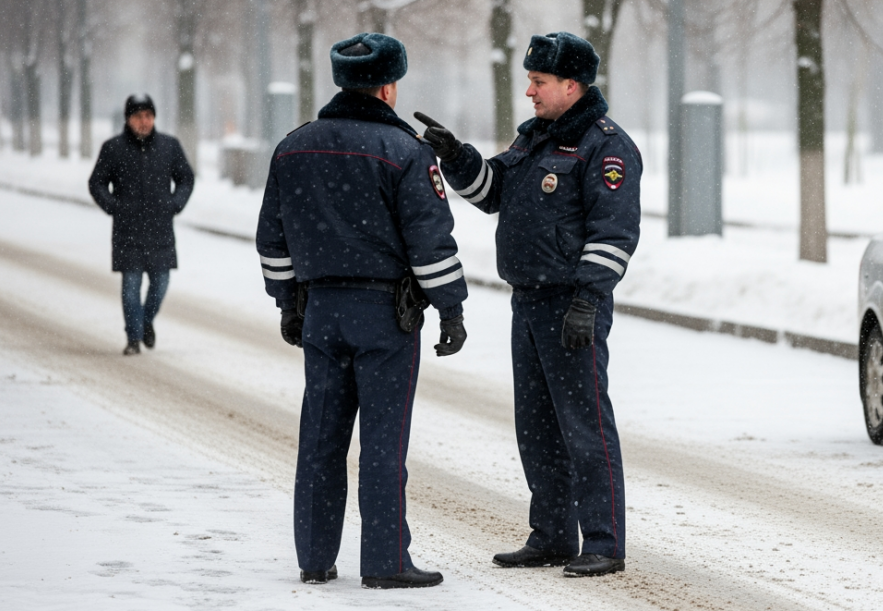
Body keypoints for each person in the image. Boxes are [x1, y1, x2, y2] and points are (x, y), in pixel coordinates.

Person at [421, 31, 641, 577]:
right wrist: (457, 156)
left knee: (585, 426)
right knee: (537, 427)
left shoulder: (605, 147)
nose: (530, 92)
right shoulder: (536, 140)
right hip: (529, 302)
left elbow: (614, 234)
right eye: (530, 81)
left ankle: (604, 542)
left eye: (539, 82)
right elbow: (493, 190)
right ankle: (552, 535)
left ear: (572, 84)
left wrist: (588, 301)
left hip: (572, 306)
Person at [255, 32, 469, 590]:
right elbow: (430, 242)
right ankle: (385, 561)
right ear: (389, 86)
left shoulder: (294, 146)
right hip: (386, 316)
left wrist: (289, 303)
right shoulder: (406, 152)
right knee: (382, 441)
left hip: (321, 312)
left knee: (321, 437)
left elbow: (271, 241)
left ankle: (315, 558)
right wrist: (451, 309)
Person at [88, 94, 195, 355]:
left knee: (160, 284)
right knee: (130, 287)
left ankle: (146, 321)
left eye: (148, 116)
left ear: (154, 117)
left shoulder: (169, 146)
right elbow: (97, 182)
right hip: (128, 231)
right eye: (138, 116)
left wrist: (174, 204)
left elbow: (186, 178)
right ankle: (133, 338)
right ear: (128, 119)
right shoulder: (113, 148)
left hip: (160, 229)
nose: (143, 121)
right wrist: (114, 207)